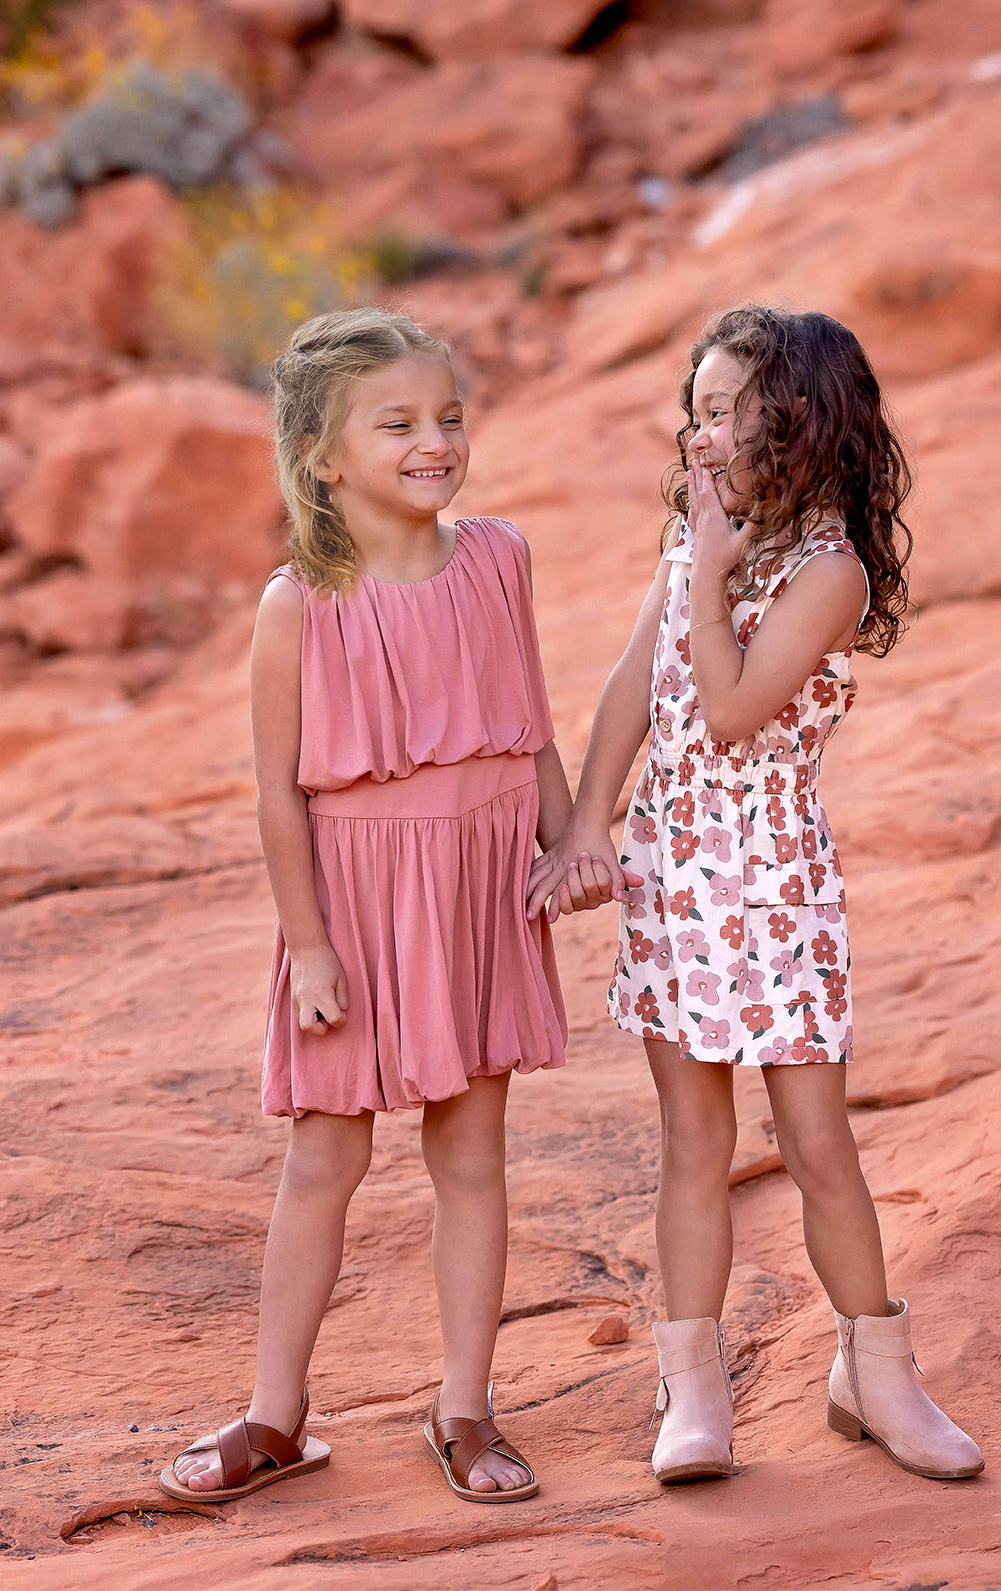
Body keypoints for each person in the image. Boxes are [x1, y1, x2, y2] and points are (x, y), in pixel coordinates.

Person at [528, 304, 983, 1485]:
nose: (703, 433)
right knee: (693, 1139)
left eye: (726, 410)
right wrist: (587, 825)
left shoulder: (826, 568)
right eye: (696, 410)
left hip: (774, 881)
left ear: (798, 419)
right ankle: (694, 1394)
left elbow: (731, 712)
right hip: (675, 873)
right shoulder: (698, 539)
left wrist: (717, 568)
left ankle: (875, 1373)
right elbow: (635, 687)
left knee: (815, 1139)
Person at [161, 307, 571, 1507]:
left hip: (480, 890)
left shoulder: (498, 556)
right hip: (356, 901)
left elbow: (531, 722)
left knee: (472, 1149)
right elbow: (279, 797)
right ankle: (275, 1416)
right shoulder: (296, 605)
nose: (434, 440)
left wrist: (570, 840)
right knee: (324, 1155)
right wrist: (311, 947)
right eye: (398, 422)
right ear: (324, 457)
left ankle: (466, 1411)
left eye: (448, 417)